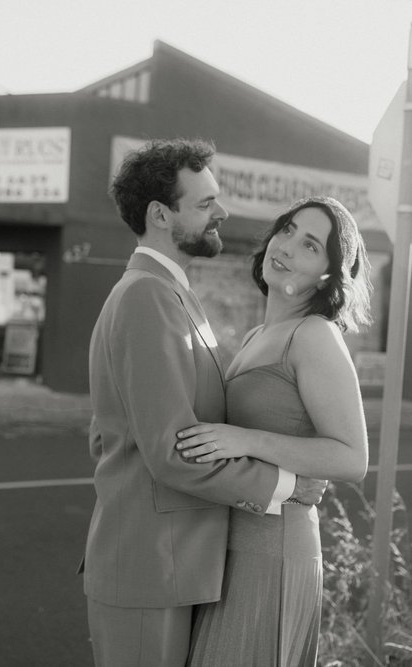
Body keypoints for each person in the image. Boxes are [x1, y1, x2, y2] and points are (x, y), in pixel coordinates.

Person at [82, 138, 327, 667]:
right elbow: (170, 451)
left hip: (168, 565)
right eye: (205, 203)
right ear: (160, 215)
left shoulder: (172, 292)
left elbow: (107, 433)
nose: (223, 212)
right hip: (149, 570)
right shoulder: (148, 295)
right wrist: (285, 486)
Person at [177, 196, 372, 666]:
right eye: (287, 229)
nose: (285, 246)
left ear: (329, 274)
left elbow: (352, 459)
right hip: (232, 542)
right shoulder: (254, 336)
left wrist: (246, 440)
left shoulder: (314, 335)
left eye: (309, 245)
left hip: (274, 551)